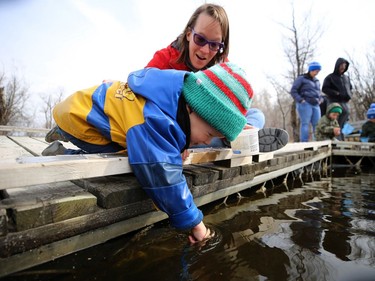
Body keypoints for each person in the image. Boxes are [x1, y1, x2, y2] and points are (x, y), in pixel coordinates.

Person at [42, 62, 253, 243]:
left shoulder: (171, 94)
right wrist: (195, 222)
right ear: (193, 108)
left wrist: (179, 146)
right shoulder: (153, 120)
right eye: (209, 133)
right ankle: (63, 151)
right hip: (83, 120)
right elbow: (162, 175)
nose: (207, 141)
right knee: (130, 157)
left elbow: (173, 132)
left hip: (82, 105)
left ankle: (60, 133)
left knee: (138, 144)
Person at [146, 3, 288, 152]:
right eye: (200, 39)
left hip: (215, 127)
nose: (205, 50)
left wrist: (235, 122)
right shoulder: (165, 59)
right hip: (185, 129)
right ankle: (237, 140)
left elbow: (234, 107)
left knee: (257, 115)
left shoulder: (223, 67)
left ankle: (237, 137)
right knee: (201, 136)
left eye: (214, 45)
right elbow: (140, 95)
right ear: (189, 34)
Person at [290, 61, 323, 142]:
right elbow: (293, 90)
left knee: (317, 124)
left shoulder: (317, 81)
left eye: (318, 71)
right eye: (316, 71)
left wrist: (321, 99)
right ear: (311, 70)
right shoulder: (301, 78)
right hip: (305, 104)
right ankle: (304, 142)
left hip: (316, 104)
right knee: (305, 123)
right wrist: (301, 100)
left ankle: (317, 141)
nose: (317, 73)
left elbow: (319, 93)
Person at [322, 58, 352, 140]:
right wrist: (336, 93)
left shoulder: (346, 78)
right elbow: (325, 89)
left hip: (345, 102)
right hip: (334, 102)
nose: (343, 67)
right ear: (337, 65)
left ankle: (340, 139)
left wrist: (349, 95)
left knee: (343, 122)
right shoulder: (330, 77)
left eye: (345, 65)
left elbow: (350, 88)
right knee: (335, 122)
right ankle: (334, 139)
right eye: (341, 65)